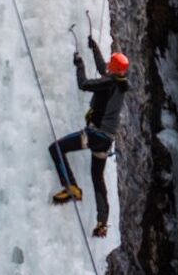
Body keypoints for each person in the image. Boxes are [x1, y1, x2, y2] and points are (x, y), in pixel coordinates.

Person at [49, 36, 129, 238]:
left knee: (56, 148)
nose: (108, 68)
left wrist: (79, 64)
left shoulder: (109, 83)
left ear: (114, 69)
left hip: (95, 134)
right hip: (106, 140)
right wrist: (95, 49)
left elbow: (84, 84)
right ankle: (102, 223)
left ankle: (71, 187)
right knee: (97, 177)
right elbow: (104, 69)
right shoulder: (119, 83)